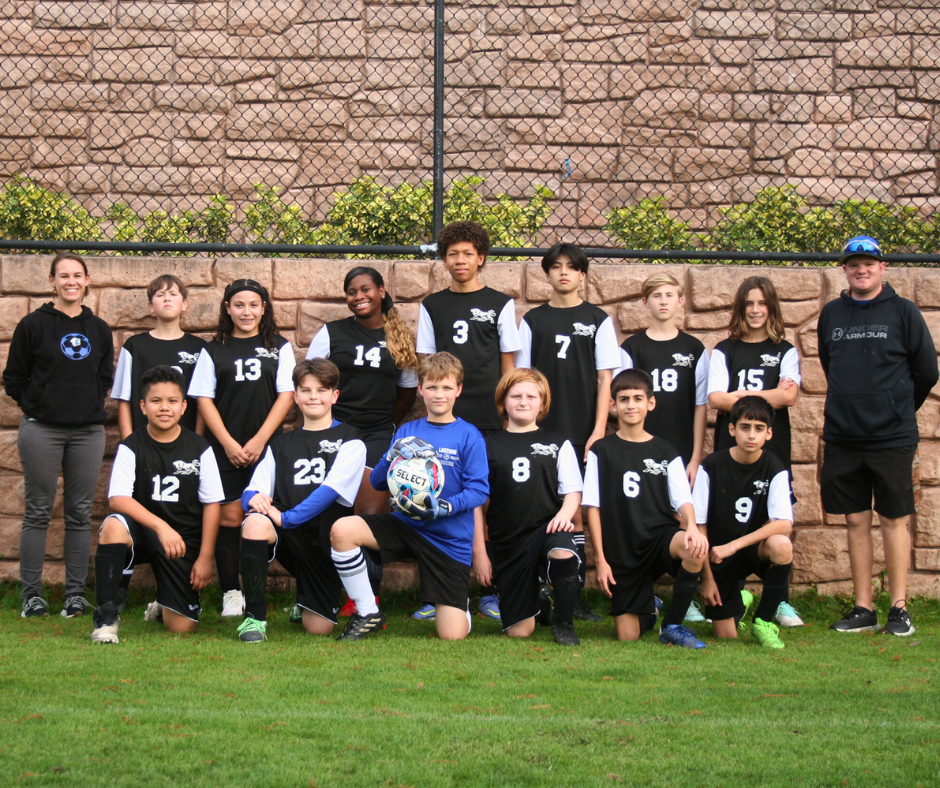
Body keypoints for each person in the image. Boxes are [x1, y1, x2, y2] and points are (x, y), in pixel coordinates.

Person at [819, 236, 938, 636]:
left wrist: (898, 409)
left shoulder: (904, 313)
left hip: (891, 437)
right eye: (854, 264)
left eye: (869, 263)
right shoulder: (831, 314)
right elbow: (829, 364)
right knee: (855, 520)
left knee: (893, 519)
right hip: (844, 436)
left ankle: (899, 609)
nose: (862, 269)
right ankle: (863, 608)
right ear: (845, 270)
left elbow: (927, 372)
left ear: (883, 267)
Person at [329, 352, 489, 641]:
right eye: (431, 387)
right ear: (420, 389)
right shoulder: (407, 430)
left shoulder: (469, 435)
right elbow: (378, 482)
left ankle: (458, 607)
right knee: (342, 530)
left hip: (448, 538)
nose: (439, 395)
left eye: (446, 387)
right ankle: (367, 612)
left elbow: (479, 491)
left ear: (459, 390)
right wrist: (391, 454)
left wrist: (444, 507)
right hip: (407, 525)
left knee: (452, 635)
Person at [416, 221, 521, 622]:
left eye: (467, 253)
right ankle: (439, 593)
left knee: (490, 504)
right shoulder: (432, 305)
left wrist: (506, 410)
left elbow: (508, 363)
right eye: (452, 254)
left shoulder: (501, 302)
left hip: (489, 417)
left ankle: (491, 591)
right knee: (440, 501)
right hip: (446, 418)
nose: (460, 260)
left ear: (481, 258)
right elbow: (426, 363)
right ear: (444, 259)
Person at [3, 252, 113, 618]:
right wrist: (38, 406)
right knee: (38, 511)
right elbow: (14, 379)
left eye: (77, 275)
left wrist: (82, 406)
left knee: (80, 514)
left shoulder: (97, 329)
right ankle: (31, 596)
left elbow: (103, 377)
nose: (71, 281)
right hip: (42, 430)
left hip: (87, 431)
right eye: (63, 275)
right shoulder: (32, 325)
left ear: (86, 280)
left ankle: (75, 595)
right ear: (51, 281)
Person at [515, 242, 620, 622]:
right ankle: (540, 591)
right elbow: (523, 378)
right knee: (540, 507)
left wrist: (597, 431)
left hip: (580, 431)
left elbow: (605, 378)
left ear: (582, 274)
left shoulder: (597, 319)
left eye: (571, 267)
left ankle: (572, 596)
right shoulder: (533, 320)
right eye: (556, 267)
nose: (563, 273)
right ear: (547, 274)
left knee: (575, 513)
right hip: (541, 432)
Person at [306, 266, 418, 617]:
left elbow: (406, 393)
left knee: (369, 514)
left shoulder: (399, 337)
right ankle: (319, 594)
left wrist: (383, 423)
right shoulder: (332, 333)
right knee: (328, 512)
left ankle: (366, 599)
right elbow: (311, 384)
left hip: (377, 434)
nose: (358, 296)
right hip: (334, 431)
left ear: (381, 291)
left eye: (365, 289)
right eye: (351, 291)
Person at [237, 359, 367, 642]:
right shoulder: (282, 443)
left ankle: (305, 601)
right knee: (255, 523)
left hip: (325, 542)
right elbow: (250, 490)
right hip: (288, 537)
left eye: (321, 390)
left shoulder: (351, 440)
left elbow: (330, 491)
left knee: (318, 628)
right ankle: (254, 619)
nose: (313, 397)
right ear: (295, 396)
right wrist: (254, 500)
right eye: (306, 390)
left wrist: (287, 517)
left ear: (334, 396)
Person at [90, 366, 223, 644]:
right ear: (143, 406)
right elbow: (118, 499)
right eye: (156, 401)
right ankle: (106, 616)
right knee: (113, 525)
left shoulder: (200, 448)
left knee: (182, 627)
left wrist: (204, 558)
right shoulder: (131, 446)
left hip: (183, 542)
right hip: (145, 531)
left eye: (172, 401)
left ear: (184, 406)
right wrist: (160, 526)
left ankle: (164, 606)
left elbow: (212, 505)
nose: (165, 408)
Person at [188, 279, 295, 617]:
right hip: (224, 448)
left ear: (264, 308)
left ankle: (270, 590)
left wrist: (260, 440)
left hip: (268, 446)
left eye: (253, 304)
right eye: (239, 305)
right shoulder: (213, 349)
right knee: (229, 517)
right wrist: (229, 443)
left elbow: (286, 396)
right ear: (227, 309)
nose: (246, 311)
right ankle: (232, 592)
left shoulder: (280, 346)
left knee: (267, 515)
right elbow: (204, 399)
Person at [583, 369, 709, 649]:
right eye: (624, 399)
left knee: (694, 547)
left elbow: (682, 499)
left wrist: (690, 525)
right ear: (613, 405)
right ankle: (649, 609)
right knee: (628, 636)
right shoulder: (600, 451)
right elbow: (593, 508)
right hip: (623, 551)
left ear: (650, 403)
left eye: (638, 398)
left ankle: (673, 624)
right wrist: (601, 560)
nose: (631, 405)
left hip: (658, 538)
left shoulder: (665, 451)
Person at [707, 274, 804, 629]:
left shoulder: (785, 351)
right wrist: (767, 394)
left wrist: (742, 398)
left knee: (775, 522)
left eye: (762, 303)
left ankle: (779, 603)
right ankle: (730, 593)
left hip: (772, 449)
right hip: (731, 453)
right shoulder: (725, 350)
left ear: (772, 307)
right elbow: (716, 398)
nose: (755, 310)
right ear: (740, 308)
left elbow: (789, 397)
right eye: (749, 303)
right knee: (725, 521)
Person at [482, 369, 584, 646]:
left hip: (547, 528)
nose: (523, 402)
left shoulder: (557, 443)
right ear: (503, 403)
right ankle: (542, 605)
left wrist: (564, 515)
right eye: (515, 396)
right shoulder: (488, 446)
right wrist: (481, 551)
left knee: (562, 551)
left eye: (531, 396)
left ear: (542, 404)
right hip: (508, 541)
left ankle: (564, 624)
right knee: (519, 631)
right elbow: (478, 501)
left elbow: (573, 490)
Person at [693, 396, 794, 649]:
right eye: (745, 427)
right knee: (726, 637)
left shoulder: (774, 467)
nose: (751, 435)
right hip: (717, 556)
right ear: (732, 429)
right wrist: (706, 578)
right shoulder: (712, 466)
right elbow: (700, 527)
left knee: (782, 545)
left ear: (769, 434)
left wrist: (735, 545)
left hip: (749, 550)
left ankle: (762, 622)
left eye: (759, 429)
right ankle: (739, 601)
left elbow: (784, 523)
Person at [113, 274, 207, 438]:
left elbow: (203, 402)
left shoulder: (200, 348)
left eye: (173, 294)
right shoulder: (134, 346)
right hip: (144, 443)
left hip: (186, 444)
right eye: (160, 295)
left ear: (184, 304)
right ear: (151, 306)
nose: (167, 299)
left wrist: (197, 443)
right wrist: (129, 444)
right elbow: (123, 400)